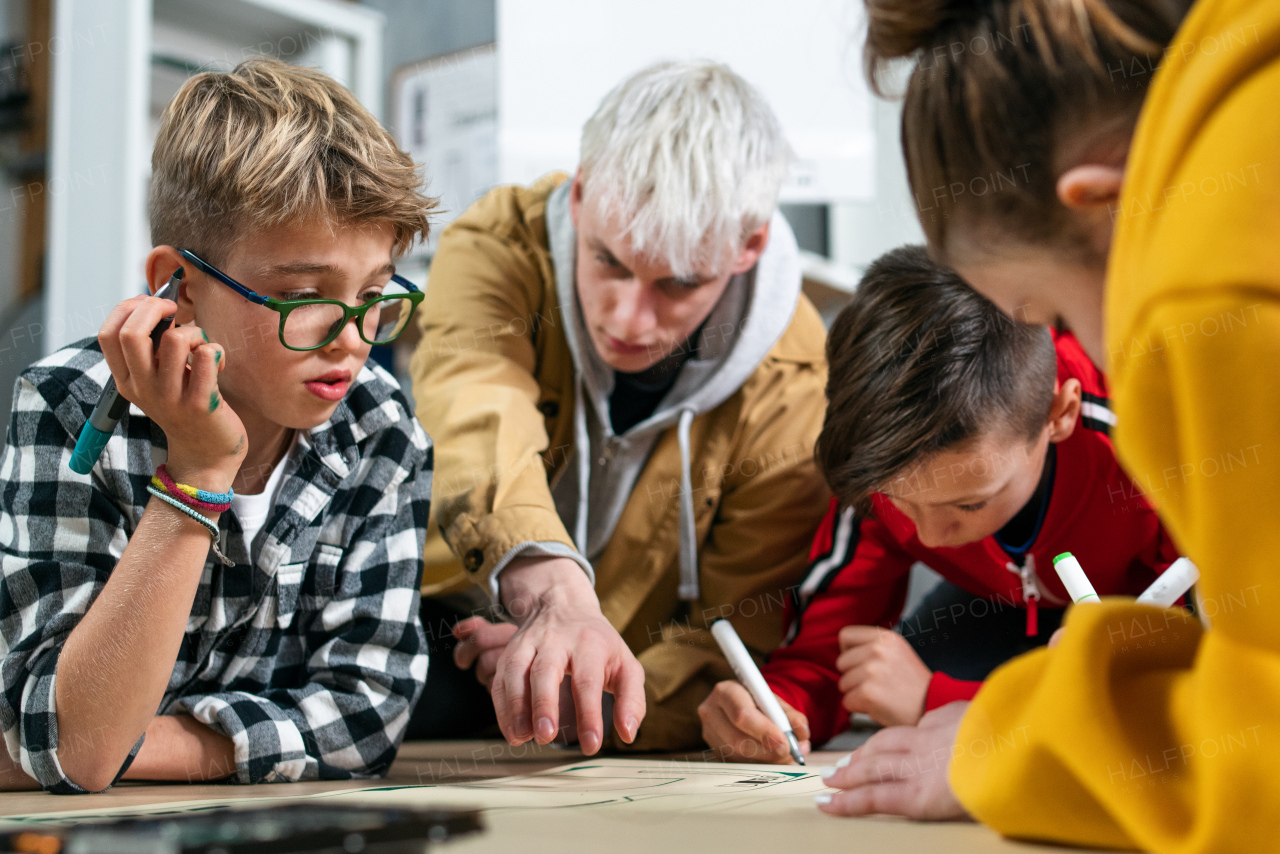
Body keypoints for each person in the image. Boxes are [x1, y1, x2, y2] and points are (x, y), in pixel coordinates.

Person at [818, 0, 1280, 849]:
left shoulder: (1216, 290)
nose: (1087, 356)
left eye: (1054, 311)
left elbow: (1261, 763)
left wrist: (1003, 744)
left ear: (1110, 206)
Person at [0, 59, 435, 793]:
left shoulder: (379, 426)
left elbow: (367, 715)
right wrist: (197, 477)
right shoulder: (66, 406)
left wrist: (134, 744)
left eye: (373, 292)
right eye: (304, 295)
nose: (353, 339)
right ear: (182, 287)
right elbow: (74, 740)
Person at [407, 60, 831, 752]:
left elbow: (731, 633)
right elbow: (474, 410)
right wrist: (555, 598)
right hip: (445, 617)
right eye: (608, 261)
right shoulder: (498, 245)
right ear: (579, 198)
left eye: (678, 283)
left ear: (749, 246)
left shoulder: (795, 377)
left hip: (617, 686)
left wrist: (593, 696)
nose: (630, 320)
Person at [699, 246, 1179, 762]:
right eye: (899, 503)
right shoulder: (878, 464)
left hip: (1143, 619)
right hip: (995, 613)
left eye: (970, 504)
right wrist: (776, 708)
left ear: (1058, 415)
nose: (927, 537)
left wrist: (938, 701)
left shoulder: (1150, 452)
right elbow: (825, 655)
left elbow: (1204, 685)